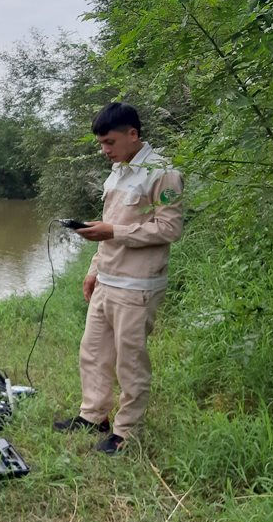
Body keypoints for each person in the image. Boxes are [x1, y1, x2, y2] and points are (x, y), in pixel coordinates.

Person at [53, 102, 183, 455]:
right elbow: (107, 224)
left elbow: (169, 229)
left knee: (130, 361)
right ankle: (93, 415)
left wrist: (115, 231)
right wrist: (94, 269)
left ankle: (127, 432)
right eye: (101, 144)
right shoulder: (119, 172)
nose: (104, 150)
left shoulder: (163, 174)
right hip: (107, 280)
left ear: (133, 135)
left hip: (138, 286)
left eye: (109, 142)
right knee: (93, 353)